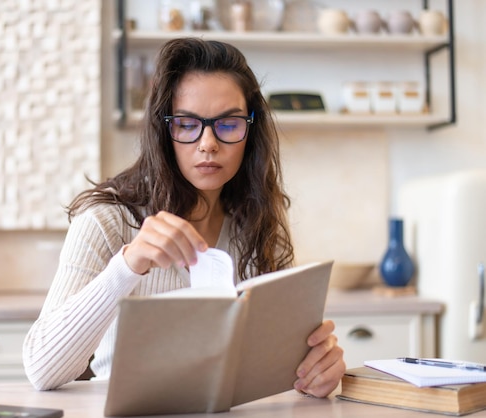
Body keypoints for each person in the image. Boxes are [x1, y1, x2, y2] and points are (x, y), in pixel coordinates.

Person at [23, 37, 345, 397]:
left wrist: (315, 372)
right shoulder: (107, 222)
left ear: (250, 132)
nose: (208, 142)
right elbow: (41, 369)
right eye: (187, 124)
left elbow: (276, 369)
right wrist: (127, 266)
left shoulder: (253, 226)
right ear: (164, 132)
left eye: (228, 124)